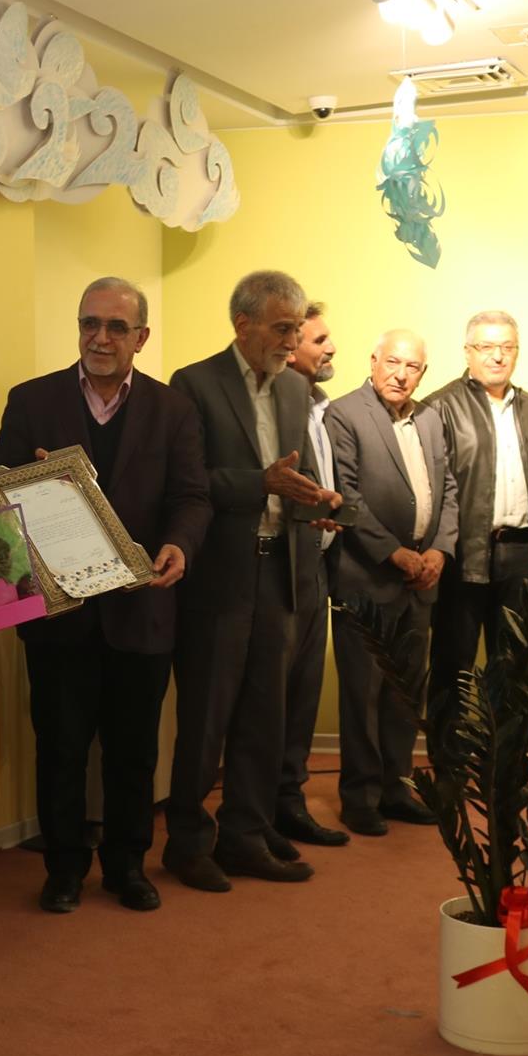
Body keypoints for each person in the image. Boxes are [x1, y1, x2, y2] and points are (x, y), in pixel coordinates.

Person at [0, 277, 211, 914]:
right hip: (60, 616)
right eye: (90, 323)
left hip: (142, 610)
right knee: (59, 750)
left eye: (117, 327)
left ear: (141, 337)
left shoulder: (174, 410)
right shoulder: (31, 401)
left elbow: (192, 498)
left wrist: (180, 544)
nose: (101, 337)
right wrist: (31, 482)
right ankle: (63, 869)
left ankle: (126, 866)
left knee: (133, 753)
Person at [166, 270, 339, 892]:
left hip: (282, 571)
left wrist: (317, 500)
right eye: (282, 328)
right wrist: (259, 483)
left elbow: (298, 472)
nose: (293, 342)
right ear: (243, 324)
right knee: (207, 718)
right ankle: (187, 844)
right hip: (219, 575)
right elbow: (186, 481)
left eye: (296, 329)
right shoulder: (194, 383)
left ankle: (244, 836)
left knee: (266, 716)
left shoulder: (295, 388)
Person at [325, 330, 458, 836]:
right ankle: (360, 797)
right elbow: (345, 494)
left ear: (423, 373)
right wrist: (393, 552)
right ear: (374, 360)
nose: (401, 375)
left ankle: (396, 788)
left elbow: (448, 490)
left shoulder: (430, 418)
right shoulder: (344, 413)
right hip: (368, 577)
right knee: (362, 695)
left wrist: (440, 550)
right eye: (393, 362)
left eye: (413, 367)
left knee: (406, 696)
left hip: (421, 580)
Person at [421, 311, 528, 707]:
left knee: (515, 670)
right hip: (461, 556)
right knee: (453, 668)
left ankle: (505, 751)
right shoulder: (439, 408)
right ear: (467, 351)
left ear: (517, 352)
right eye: (486, 346)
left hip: (523, 557)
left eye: (507, 347)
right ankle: (448, 750)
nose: (497, 356)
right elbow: (430, 492)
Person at [277, 303, 350, 848]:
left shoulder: (322, 405)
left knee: (304, 694)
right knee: (275, 697)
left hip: (318, 567)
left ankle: (290, 799)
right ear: (290, 344)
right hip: (281, 569)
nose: (330, 348)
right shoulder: (274, 402)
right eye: (319, 339)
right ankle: (267, 808)